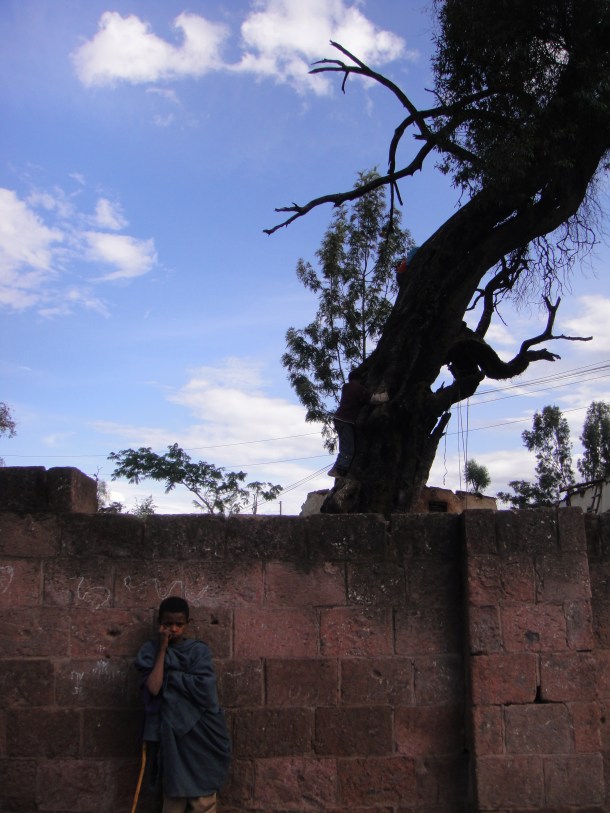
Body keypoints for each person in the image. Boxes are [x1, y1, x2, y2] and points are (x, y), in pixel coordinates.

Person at [135, 596, 231, 813]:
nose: (174, 629)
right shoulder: (151, 651)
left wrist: (173, 678)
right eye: (168, 624)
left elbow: (205, 689)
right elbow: (153, 687)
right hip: (172, 736)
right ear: (160, 623)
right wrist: (162, 648)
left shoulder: (198, 652)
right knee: (174, 794)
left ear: (187, 624)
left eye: (179, 624)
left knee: (203, 799)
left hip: (200, 733)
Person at [327, 370, 389, 478]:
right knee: (348, 448)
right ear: (358, 379)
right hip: (345, 420)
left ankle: (337, 468)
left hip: (340, 419)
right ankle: (340, 470)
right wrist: (385, 396)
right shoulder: (357, 388)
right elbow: (372, 399)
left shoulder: (346, 387)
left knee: (345, 445)